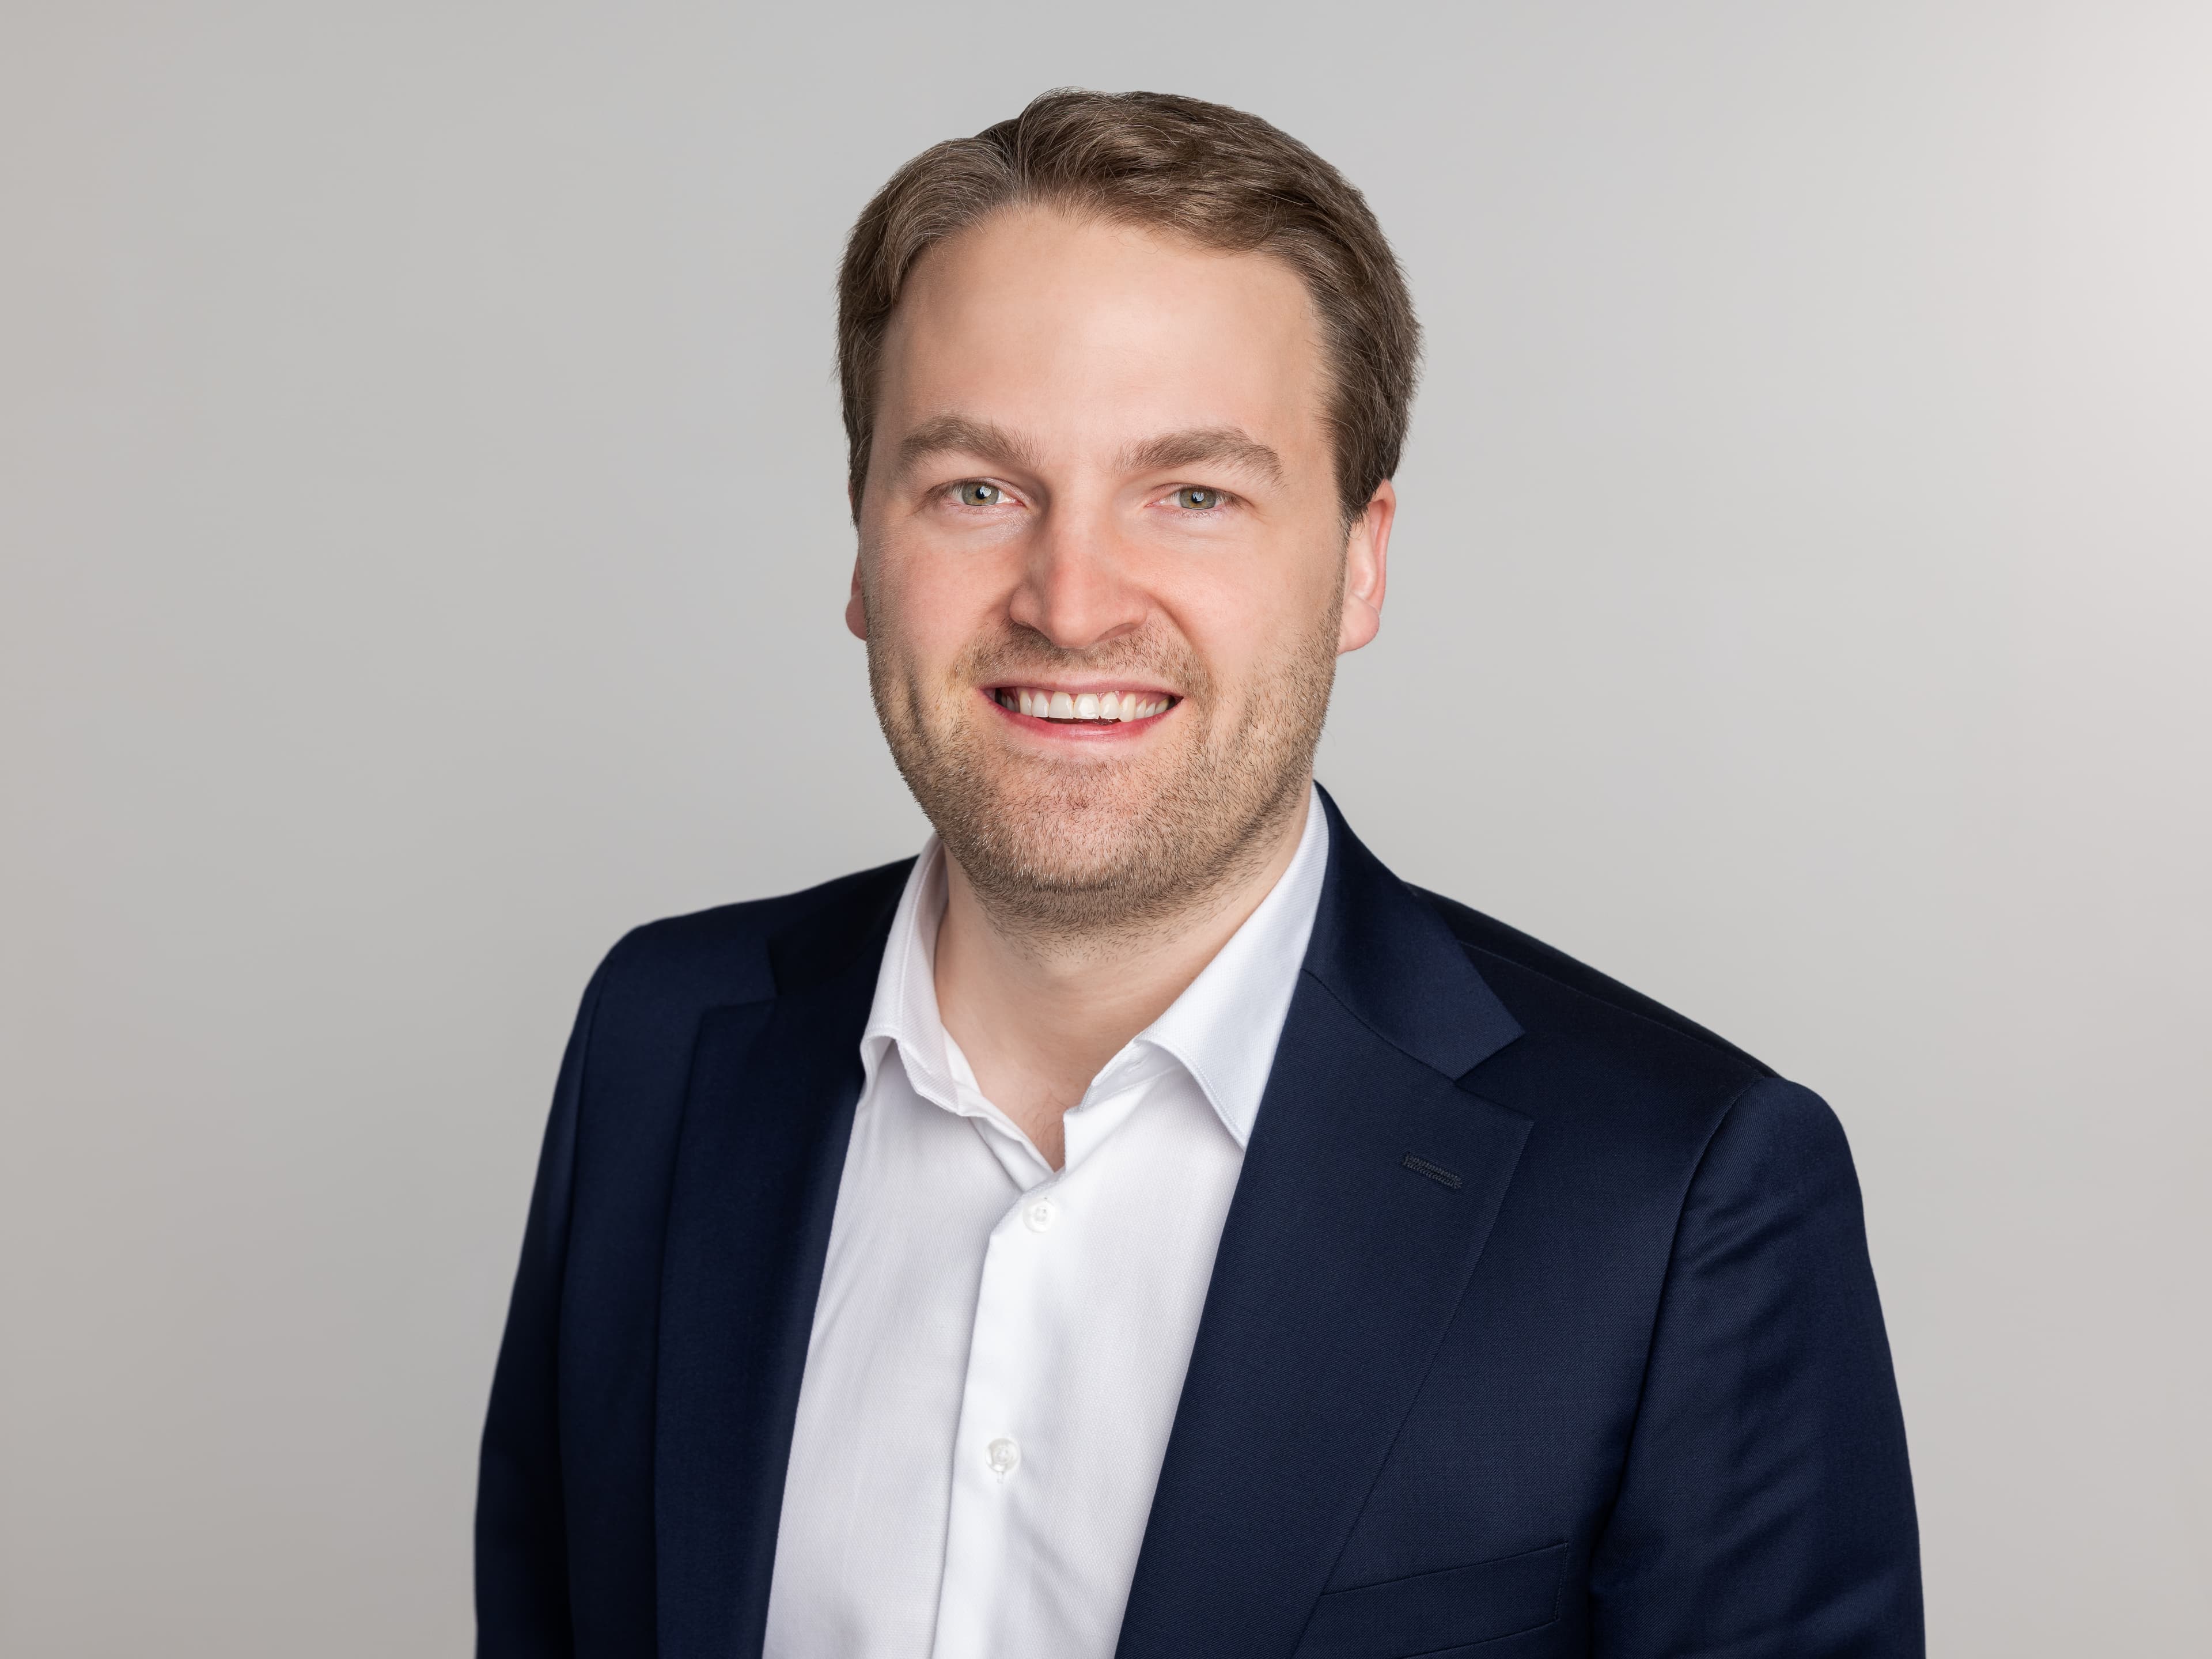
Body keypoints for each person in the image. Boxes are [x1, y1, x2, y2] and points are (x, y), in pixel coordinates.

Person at [475, 89, 1922, 1659]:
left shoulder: (1678, 1198)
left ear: (1360, 562)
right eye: (977, 489)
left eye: (1193, 495)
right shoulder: (661, 1041)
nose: (1071, 601)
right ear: (863, 542)